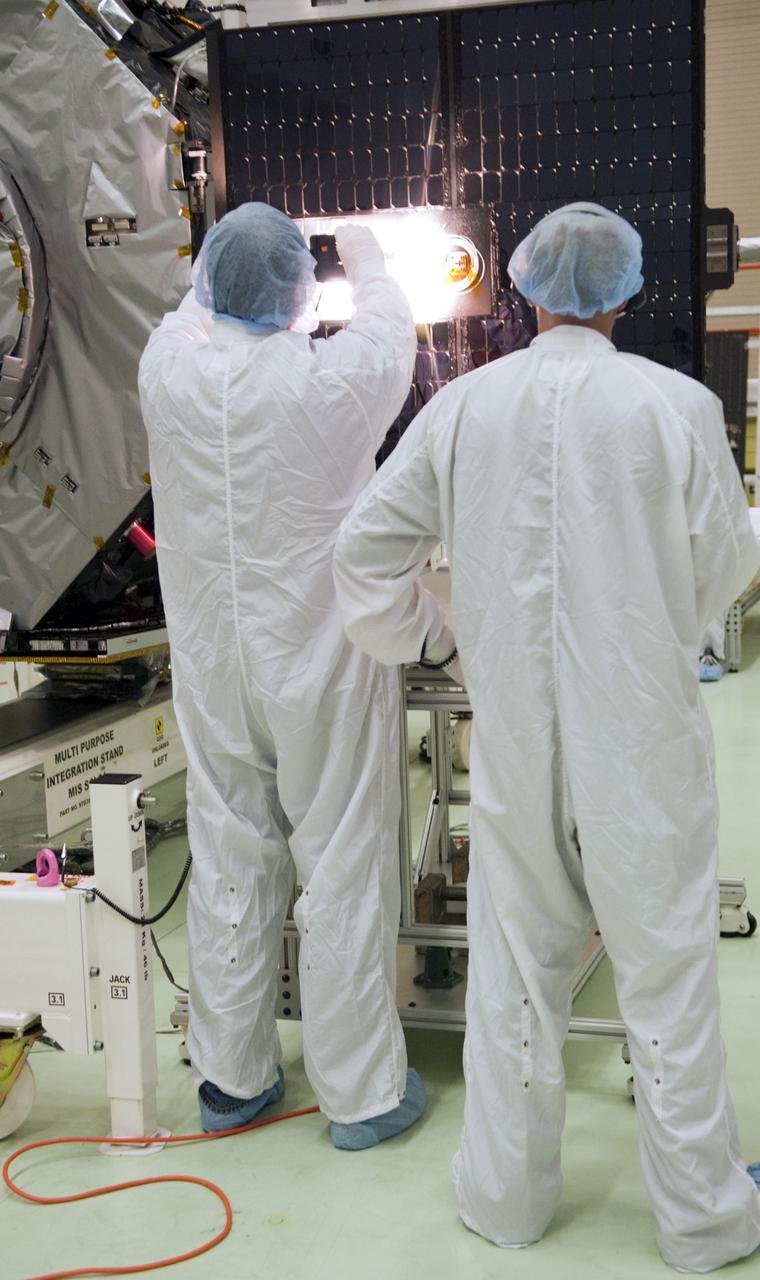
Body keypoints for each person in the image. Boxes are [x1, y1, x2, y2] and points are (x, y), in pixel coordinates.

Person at [333, 204, 760, 1268]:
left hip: (515, 735)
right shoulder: (673, 404)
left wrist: (437, 641)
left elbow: (363, 556)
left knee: (515, 966)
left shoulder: (461, 408)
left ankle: (506, 1199)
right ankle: (704, 1217)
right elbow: (724, 566)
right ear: (624, 292)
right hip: (639, 732)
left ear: (527, 288)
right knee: (663, 963)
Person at [138, 203, 426, 1148]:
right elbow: (390, 328)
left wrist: (246, 256)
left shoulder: (165, 368)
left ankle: (231, 1080)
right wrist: (367, 250)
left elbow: (194, 305)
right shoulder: (332, 384)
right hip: (320, 665)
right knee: (339, 857)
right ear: (301, 292)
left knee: (230, 849)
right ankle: (362, 1095)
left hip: (214, 663)